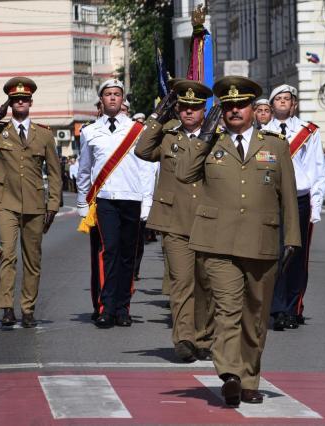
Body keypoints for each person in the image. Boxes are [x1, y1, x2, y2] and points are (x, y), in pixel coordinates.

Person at [175, 76, 301, 406]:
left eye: (240, 105)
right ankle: (230, 374)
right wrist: (204, 136)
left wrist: (292, 240)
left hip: (261, 242)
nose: (234, 110)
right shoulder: (209, 143)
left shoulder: (274, 145)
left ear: (253, 109)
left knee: (256, 316)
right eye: (227, 106)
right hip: (217, 243)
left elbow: (288, 195)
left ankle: (249, 379)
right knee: (226, 311)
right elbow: (184, 174)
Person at [0, 77, 62, 328]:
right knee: (7, 255)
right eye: (15, 100)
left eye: (23, 99)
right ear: (10, 104)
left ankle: (28, 308)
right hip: (6, 201)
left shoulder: (43, 135)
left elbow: (55, 173)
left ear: (30, 102)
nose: (20, 102)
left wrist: (53, 205)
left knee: (33, 259)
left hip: (34, 204)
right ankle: (7, 308)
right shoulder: (0, 131)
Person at [135, 80, 215, 362]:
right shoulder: (168, 136)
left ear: (203, 110)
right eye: (183, 107)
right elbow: (142, 150)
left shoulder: (216, 137)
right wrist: (158, 116)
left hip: (208, 221)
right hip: (174, 220)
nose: (189, 113)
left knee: (206, 283)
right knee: (182, 283)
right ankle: (184, 339)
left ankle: (204, 337)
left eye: (194, 108)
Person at [76, 79, 155, 329]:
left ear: (122, 100)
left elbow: (146, 167)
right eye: (108, 94)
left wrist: (147, 202)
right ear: (102, 100)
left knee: (127, 256)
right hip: (105, 199)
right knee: (109, 252)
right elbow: (84, 169)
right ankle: (107, 308)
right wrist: (82, 202)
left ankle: (123, 308)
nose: (112, 98)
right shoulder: (89, 131)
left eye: (117, 94)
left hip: (131, 198)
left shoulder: (137, 130)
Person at [264, 83, 325, 330]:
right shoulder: (262, 133)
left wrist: (316, 206)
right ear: (271, 104)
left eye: (287, 98)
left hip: (300, 200)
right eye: (278, 98)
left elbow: (317, 169)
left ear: (294, 104)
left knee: (297, 256)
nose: (282, 101)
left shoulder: (308, 132)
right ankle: (277, 308)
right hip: (271, 200)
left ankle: (293, 307)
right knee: (274, 256)